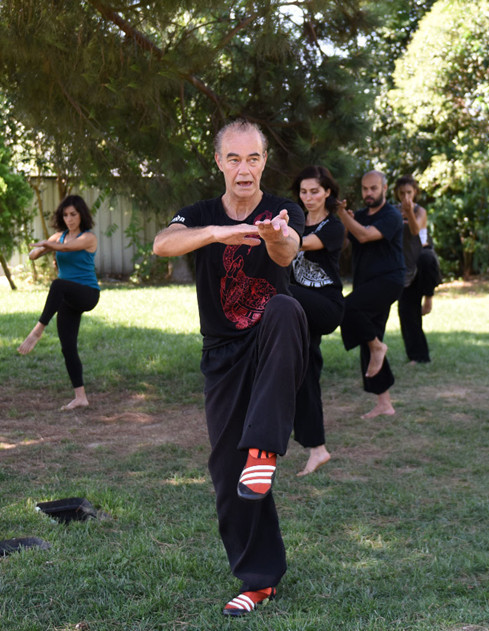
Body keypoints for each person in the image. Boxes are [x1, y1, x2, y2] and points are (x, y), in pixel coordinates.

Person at [152, 119, 308, 618]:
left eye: (253, 158)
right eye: (234, 158)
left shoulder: (282, 210)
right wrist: (218, 233)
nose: (244, 169)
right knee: (227, 473)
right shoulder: (200, 214)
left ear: (264, 162)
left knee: (285, 307)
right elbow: (162, 243)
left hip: (270, 344)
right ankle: (259, 580)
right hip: (221, 352)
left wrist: (274, 236)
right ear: (219, 161)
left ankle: (264, 447)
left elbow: (289, 251)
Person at [289, 165, 346, 476]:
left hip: (326, 306)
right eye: (303, 192)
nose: (308, 197)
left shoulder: (332, 227)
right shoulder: (294, 221)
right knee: (304, 373)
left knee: (279, 289)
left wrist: (272, 236)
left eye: (314, 191)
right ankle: (317, 449)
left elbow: (300, 244)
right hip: (301, 310)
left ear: (327, 193)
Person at [17, 195, 100, 411]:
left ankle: (38, 329)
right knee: (68, 347)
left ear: (81, 215)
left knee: (58, 284)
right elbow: (33, 255)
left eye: (73, 214)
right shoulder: (58, 237)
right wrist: (42, 248)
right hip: (66, 297)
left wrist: (50, 245)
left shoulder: (88, 237)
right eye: (65, 215)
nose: (69, 219)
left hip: (87, 293)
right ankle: (80, 397)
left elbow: (68, 248)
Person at [338, 171, 405, 418]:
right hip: (366, 283)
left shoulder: (391, 215)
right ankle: (384, 403)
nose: (368, 193)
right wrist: (346, 222)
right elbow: (344, 244)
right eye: (365, 189)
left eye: (373, 188)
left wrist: (343, 215)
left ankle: (378, 347)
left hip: (389, 280)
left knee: (347, 308)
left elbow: (365, 235)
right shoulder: (359, 215)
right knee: (369, 336)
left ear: (384, 188)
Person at [394, 175, 435, 364]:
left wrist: (409, 211)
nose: (406, 197)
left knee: (413, 309)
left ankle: (429, 300)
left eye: (409, 193)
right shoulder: (392, 211)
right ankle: (416, 356)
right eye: (402, 193)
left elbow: (415, 230)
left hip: (421, 263)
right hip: (403, 265)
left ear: (415, 192)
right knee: (406, 312)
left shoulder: (420, 211)